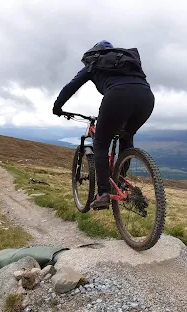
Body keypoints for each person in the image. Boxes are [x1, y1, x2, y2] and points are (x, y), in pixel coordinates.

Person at [53, 40, 155, 210]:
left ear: (96, 51)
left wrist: (57, 107)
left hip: (117, 96)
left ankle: (103, 193)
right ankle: (119, 179)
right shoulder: (126, 63)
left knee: (100, 143)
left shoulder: (94, 62)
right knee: (126, 136)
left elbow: (71, 86)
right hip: (146, 97)